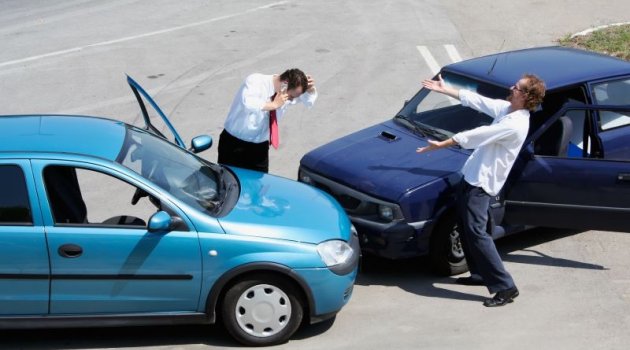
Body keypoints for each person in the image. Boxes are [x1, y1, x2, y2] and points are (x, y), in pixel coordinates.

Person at [417, 73, 546, 307]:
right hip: (472, 177)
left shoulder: (515, 124)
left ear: (525, 96)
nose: (511, 87)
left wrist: (444, 143)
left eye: (516, 87)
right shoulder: (508, 110)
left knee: (477, 233)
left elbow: (478, 135)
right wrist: (445, 90)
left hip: (480, 185)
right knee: (470, 228)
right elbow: (478, 100)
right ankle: (478, 274)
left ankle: (505, 287)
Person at [218, 68, 317, 173]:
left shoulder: (285, 93)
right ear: (285, 84)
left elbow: (309, 102)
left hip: (260, 149)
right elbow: (248, 103)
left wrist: (311, 90)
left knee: (260, 185)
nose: (291, 100)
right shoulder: (256, 81)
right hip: (234, 145)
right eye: (291, 96)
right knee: (228, 184)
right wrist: (273, 105)